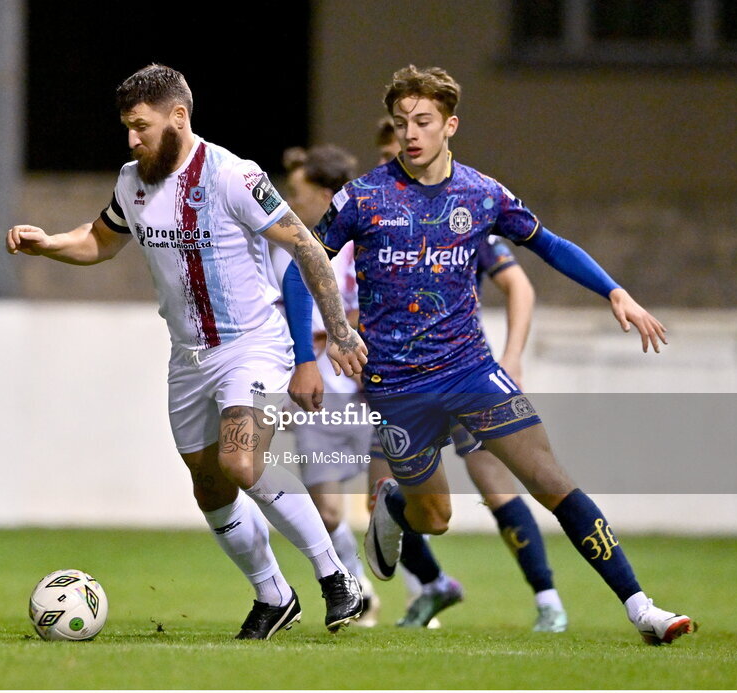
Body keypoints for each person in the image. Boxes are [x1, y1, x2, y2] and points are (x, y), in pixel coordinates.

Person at [312, 65, 694, 645]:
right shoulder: (362, 197)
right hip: (397, 387)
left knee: (549, 479)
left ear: (450, 125)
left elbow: (550, 245)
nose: (411, 133)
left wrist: (614, 291)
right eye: (401, 123)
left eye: (423, 122)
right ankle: (394, 507)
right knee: (434, 519)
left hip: (471, 371)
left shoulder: (482, 193)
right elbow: (306, 265)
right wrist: (329, 335)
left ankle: (641, 607)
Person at [6, 64, 368, 640]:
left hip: (251, 345)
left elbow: (306, 246)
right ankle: (274, 596)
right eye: (127, 128)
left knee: (241, 462)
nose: (132, 139)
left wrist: (336, 333)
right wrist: (49, 243)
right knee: (211, 485)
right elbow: (100, 241)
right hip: (188, 357)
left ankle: (335, 577)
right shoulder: (133, 181)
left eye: (141, 126)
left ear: (179, 116)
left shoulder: (233, 176)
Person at [370, 121, 568, 632]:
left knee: (495, 484)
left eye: (404, 147)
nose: (400, 161)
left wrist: (513, 355)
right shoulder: (374, 214)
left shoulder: (461, 216)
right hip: (398, 379)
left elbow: (519, 286)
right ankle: (433, 587)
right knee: (388, 495)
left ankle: (547, 599)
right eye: (390, 153)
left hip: (457, 371)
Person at [282, 144, 381, 626]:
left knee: (396, 502)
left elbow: (370, 312)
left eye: (297, 193)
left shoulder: (361, 246)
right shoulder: (286, 244)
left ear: (323, 195)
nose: (290, 202)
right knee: (329, 513)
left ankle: (431, 586)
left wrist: (331, 328)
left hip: (367, 396)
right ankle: (356, 582)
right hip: (319, 398)